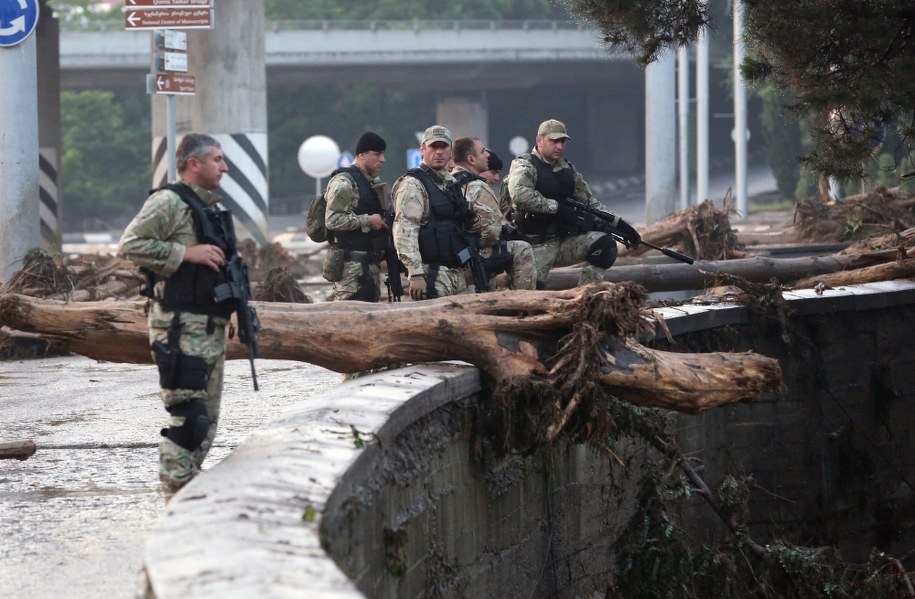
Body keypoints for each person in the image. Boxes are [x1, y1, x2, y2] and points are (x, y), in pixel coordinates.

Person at [118, 133, 251, 500]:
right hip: (179, 326)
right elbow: (130, 245)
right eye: (217, 160)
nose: (224, 167)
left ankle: (187, 493)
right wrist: (184, 253)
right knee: (189, 418)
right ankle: (175, 497)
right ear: (194, 164)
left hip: (208, 325)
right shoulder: (169, 202)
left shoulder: (208, 207)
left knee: (207, 422)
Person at [505, 119, 627, 288]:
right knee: (529, 299)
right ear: (539, 140)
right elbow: (520, 195)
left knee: (605, 245)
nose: (559, 146)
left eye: (562, 141)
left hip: (563, 242)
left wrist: (618, 222)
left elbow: (588, 201)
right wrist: (557, 209)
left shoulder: (567, 169)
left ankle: (586, 297)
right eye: (554, 141)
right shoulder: (525, 165)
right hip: (535, 247)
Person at [392, 125, 475, 300]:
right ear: (422, 150)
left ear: (450, 151)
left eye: (443, 147)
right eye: (433, 147)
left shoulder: (451, 183)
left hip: (460, 271)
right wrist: (415, 273)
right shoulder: (413, 185)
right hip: (434, 273)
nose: (439, 152)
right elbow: (405, 230)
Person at [451, 136, 536, 290]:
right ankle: (525, 304)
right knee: (522, 248)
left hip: (449, 256)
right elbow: (492, 233)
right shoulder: (478, 186)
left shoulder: (447, 181)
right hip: (468, 260)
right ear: (471, 159)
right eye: (483, 151)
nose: (487, 155)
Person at [323, 131, 392, 302]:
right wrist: (367, 220)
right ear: (361, 155)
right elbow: (332, 220)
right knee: (348, 318)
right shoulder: (344, 182)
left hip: (369, 266)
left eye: (383, 154)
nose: (382, 159)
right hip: (351, 271)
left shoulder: (371, 182)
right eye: (377, 154)